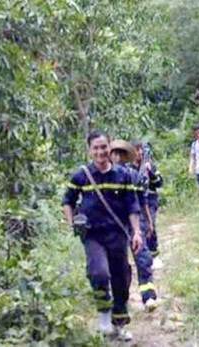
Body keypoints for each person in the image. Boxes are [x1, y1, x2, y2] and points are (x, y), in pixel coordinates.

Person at [62, 131, 143, 341]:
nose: (100, 152)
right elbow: (67, 201)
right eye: (96, 148)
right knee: (98, 273)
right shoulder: (81, 175)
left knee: (121, 278)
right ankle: (104, 314)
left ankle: (120, 324)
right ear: (90, 151)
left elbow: (132, 206)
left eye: (103, 147)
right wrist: (72, 223)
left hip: (118, 235)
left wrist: (137, 232)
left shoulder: (123, 175)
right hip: (93, 236)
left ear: (110, 148)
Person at [109, 140, 159, 313]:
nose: (117, 157)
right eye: (114, 153)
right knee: (120, 265)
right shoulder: (103, 177)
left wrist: (149, 222)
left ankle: (149, 296)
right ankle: (122, 299)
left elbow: (142, 200)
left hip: (135, 222)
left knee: (143, 258)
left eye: (121, 154)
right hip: (115, 226)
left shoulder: (134, 176)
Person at [132, 140, 164, 268]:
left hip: (150, 198)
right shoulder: (128, 168)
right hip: (135, 200)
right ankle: (143, 256)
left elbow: (159, 183)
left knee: (151, 226)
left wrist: (150, 172)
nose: (139, 152)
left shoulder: (150, 165)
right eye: (136, 150)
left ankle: (154, 254)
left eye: (140, 150)